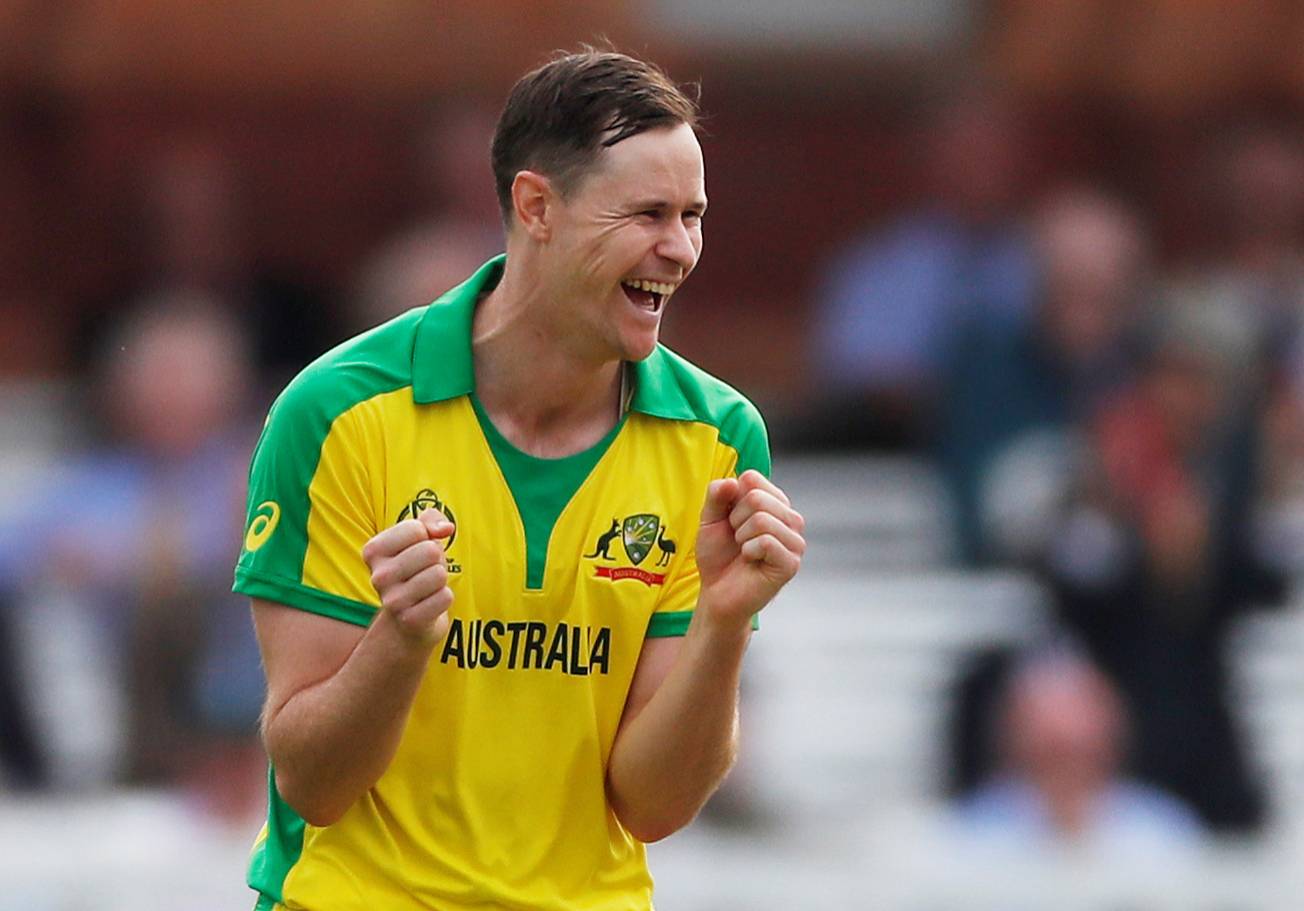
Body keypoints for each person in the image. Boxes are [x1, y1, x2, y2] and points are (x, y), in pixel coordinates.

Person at [233, 49, 806, 911]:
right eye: (647, 213)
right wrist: (399, 637)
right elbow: (312, 781)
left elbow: (653, 804)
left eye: (693, 215)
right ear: (537, 206)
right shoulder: (337, 411)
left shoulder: (717, 439)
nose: (681, 249)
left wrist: (724, 623)